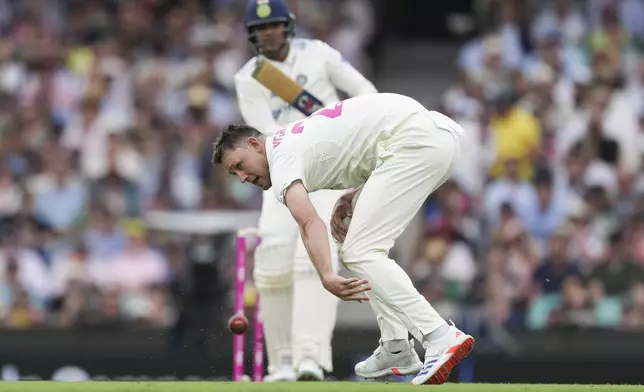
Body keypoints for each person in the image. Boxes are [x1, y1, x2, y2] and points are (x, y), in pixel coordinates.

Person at [212, 93, 475, 385]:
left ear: (254, 144)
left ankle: (439, 335)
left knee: (361, 251)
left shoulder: (281, 157)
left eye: (239, 165)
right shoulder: (292, 141)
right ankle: (396, 345)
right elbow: (364, 141)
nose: (242, 178)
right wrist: (353, 196)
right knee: (356, 243)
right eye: (234, 174)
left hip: (414, 142)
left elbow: (309, 221)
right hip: (429, 139)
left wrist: (326, 275)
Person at [233, 0, 378, 382]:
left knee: (310, 261)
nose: (268, 33)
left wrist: (347, 127)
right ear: (252, 35)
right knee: (272, 266)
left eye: (275, 26)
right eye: (261, 29)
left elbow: (365, 91)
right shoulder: (249, 77)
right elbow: (264, 136)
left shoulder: (318, 54)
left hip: (328, 167)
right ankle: (281, 364)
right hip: (281, 172)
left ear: (288, 26)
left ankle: (310, 359)